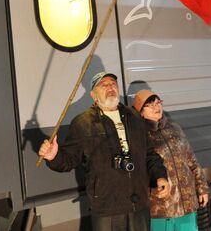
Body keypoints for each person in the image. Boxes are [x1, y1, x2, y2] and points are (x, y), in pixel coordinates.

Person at [39, 72, 170, 231]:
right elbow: (68, 160)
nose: (110, 87)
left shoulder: (134, 117)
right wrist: (54, 157)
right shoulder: (83, 123)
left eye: (113, 83)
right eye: (104, 85)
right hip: (107, 209)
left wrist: (160, 176)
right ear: (93, 95)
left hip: (139, 205)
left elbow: (149, 154)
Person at [133, 89, 209, 231]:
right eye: (150, 105)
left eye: (158, 102)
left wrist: (202, 187)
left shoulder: (174, 127)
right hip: (161, 210)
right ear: (140, 111)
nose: (157, 107)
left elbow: (191, 160)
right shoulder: (138, 135)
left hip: (187, 206)